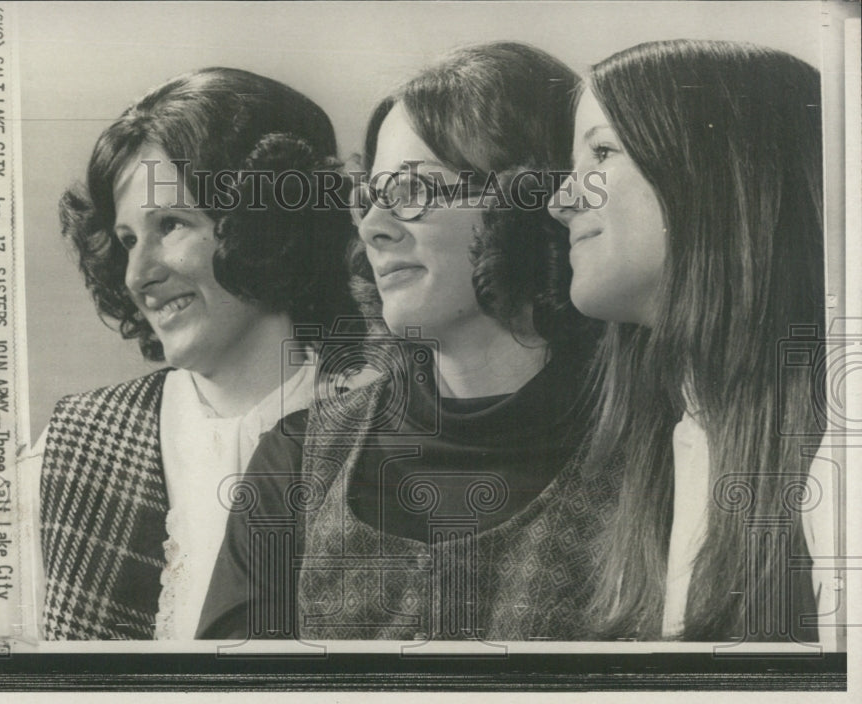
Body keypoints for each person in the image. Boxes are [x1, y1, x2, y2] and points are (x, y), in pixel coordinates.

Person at [199, 42, 614, 641]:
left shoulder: (656, 449)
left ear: (532, 200)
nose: (373, 227)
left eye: (413, 193)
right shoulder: (295, 459)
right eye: (369, 199)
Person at [35, 68, 359, 640]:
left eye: (172, 225)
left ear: (267, 225)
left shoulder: (384, 434)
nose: (139, 274)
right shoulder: (70, 447)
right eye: (129, 239)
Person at [548, 39, 832, 643]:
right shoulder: (668, 439)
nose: (561, 201)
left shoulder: (844, 454)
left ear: (718, 170)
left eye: (601, 152)